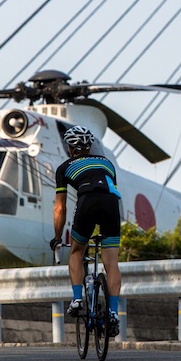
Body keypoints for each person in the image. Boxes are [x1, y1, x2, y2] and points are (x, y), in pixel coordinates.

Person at [50, 125, 121, 337]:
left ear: (70, 148)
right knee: (111, 263)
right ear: (89, 146)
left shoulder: (65, 167)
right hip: (111, 205)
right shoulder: (107, 163)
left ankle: (78, 298)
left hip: (87, 203)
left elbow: (60, 208)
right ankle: (113, 312)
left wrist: (57, 237)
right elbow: (109, 189)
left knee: (77, 251)